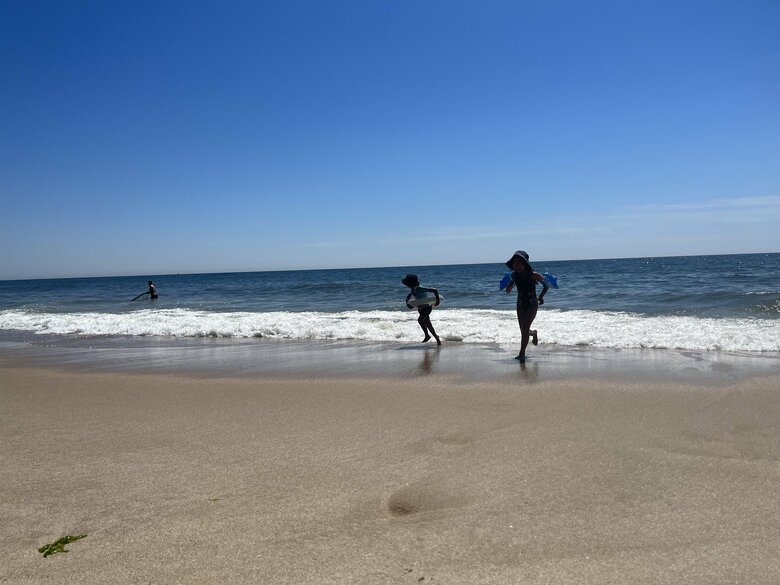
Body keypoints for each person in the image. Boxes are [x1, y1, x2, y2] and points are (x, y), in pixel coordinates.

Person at [504, 250, 549, 362]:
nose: (517, 266)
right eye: (515, 264)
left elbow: (546, 285)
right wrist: (509, 287)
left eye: (519, 263)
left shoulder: (534, 275)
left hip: (532, 304)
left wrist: (541, 297)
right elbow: (508, 290)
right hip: (520, 304)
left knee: (524, 328)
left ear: (525, 264)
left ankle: (521, 354)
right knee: (523, 330)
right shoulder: (514, 276)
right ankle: (533, 333)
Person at [402, 273, 441, 345]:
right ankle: (437, 339)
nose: (407, 286)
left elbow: (434, 290)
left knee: (420, 320)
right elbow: (410, 296)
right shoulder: (413, 289)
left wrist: (437, 301)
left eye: (407, 284)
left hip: (427, 308)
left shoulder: (420, 288)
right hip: (421, 309)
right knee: (428, 324)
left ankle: (427, 335)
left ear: (410, 284)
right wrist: (409, 303)